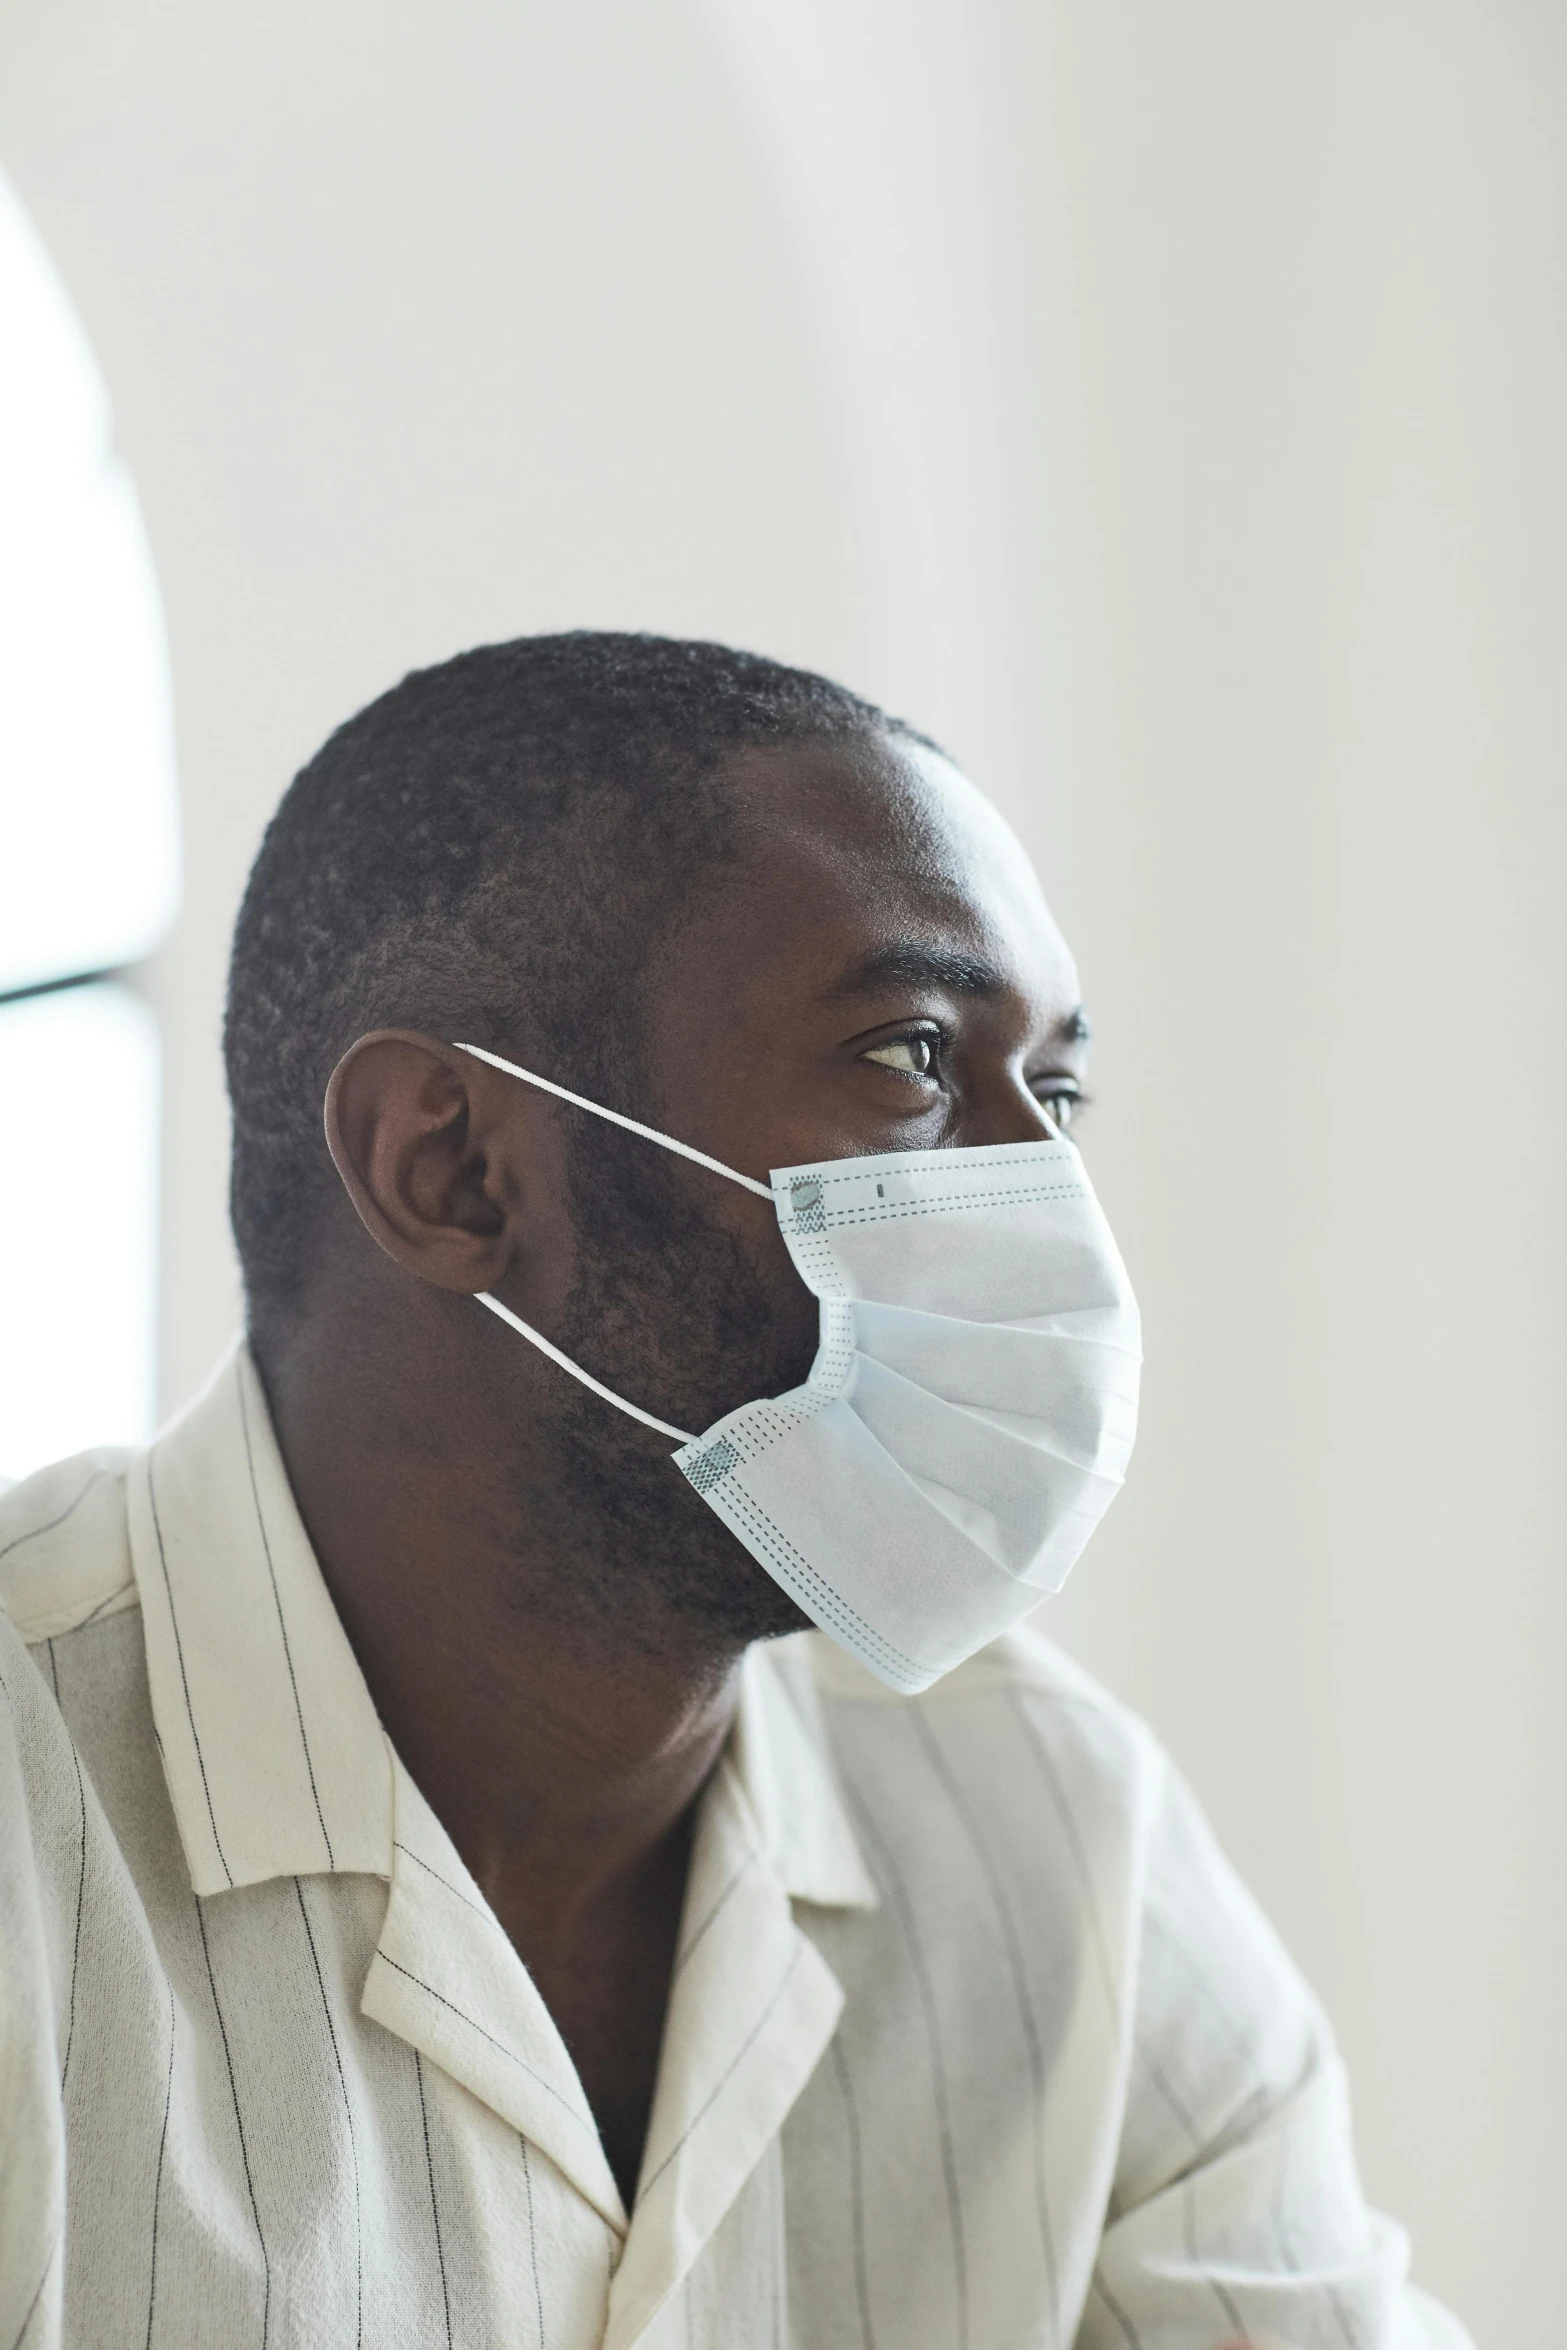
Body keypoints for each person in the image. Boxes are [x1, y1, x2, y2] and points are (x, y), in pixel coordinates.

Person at [0, 634, 1468, 2349]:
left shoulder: (1057, 1842)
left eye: (1055, 1092)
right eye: (913, 1057)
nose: (1048, 1201)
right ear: (453, 1167)